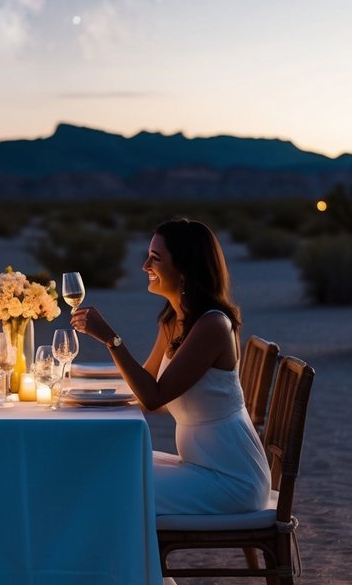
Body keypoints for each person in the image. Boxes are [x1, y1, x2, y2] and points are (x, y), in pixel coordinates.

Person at [70, 217, 272, 517]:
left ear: (185, 269)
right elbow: (144, 384)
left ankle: (126, 565)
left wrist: (110, 339)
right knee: (106, 466)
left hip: (231, 479)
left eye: (155, 258)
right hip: (197, 465)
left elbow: (153, 398)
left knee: (113, 484)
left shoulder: (213, 325)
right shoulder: (174, 320)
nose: (144, 266)